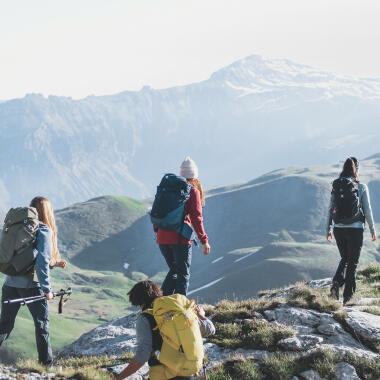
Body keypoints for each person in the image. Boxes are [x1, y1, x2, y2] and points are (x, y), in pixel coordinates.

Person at [0, 196, 67, 365]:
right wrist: (47, 290)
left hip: (9, 284)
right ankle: (46, 365)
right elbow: (41, 263)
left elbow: (24, 258)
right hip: (31, 287)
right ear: (47, 212)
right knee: (42, 325)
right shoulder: (43, 229)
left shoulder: (19, 227)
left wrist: (55, 263)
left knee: (5, 326)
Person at [115, 280, 215, 380]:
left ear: (140, 302)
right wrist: (201, 316)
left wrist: (120, 377)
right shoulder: (179, 312)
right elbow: (211, 329)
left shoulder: (145, 318)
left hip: (165, 375)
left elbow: (142, 354)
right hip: (189, 372)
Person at [155, 157, 210, 296]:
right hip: (179, 239)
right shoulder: (192, 191)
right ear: (194, 175)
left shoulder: (167, 188)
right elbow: (197, 219)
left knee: (174, 270)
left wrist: (159, 231)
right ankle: (180, 307)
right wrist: (204, 241)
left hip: (162, 238)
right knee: (183, 274)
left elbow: (158, 211)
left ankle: (160, 303)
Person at [326, 157, 377, 305]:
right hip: (355, 230)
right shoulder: (361, 187)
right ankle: (348, 298)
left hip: (338, 229)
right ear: (357, 170)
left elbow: (330, 210)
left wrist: (328, 230)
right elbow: (367, 210)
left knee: (345, 259)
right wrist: (373, 230)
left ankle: (336, 283)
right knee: (352, 262)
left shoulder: (336, 185)